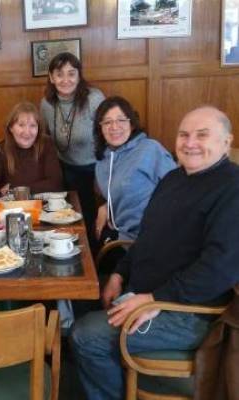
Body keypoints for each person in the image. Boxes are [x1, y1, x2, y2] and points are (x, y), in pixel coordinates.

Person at [71, 105, 239, 400]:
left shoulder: (232, 188)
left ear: (226, 141)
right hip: (146, 293)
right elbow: (147, 238)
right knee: (79, 306)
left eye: (202, 135)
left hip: (188, 313)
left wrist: (154, 299)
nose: (190, 143)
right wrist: (119, 276)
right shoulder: (175, 179)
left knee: (85, 335)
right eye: (184, 134)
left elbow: (219, 269)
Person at [40, 52, 105, 245]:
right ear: (51, 78)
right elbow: (45, 139)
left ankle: (93, 260)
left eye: (71, 73)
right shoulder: (46, 103)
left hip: (95, 168)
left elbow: (107, 137)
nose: (65, 79)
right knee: (63, 218)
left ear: (79, 76)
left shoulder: (94, 98)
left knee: (89, 217)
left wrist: (101, 174)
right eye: (59, 74)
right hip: (64, 168)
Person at [94, 96, 176, 243]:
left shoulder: (150, 149)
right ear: (100, 128)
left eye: (121, 120)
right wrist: (106, 206)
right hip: (120, 235)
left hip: (152, 238)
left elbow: (178, 189)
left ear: (131, 124)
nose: (114, 127)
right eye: (107, 122)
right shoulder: (102, 161)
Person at [0, 101, 63, 195]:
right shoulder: (1, 149)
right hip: (11, 208)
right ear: (11, 127)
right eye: (21, 125)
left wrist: (15, 188)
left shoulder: (46, 144)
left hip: (44, 205)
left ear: (38, 128)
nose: (27, 132)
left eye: (33, 125)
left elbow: (56, 183)